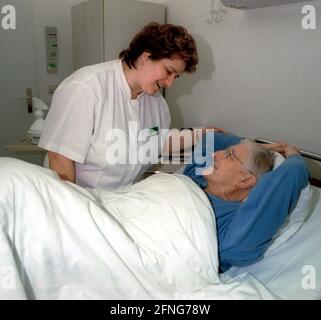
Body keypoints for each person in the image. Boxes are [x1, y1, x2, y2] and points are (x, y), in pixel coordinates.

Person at [39, 22, 198, 191]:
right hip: (80, 199)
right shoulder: (86, 87)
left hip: (122, 203)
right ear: (146, 57)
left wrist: (199, 135)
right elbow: (59, 158)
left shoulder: (159, 107)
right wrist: (72, 211)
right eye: (168, 71)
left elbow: (157, 143)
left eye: (176, 77)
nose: (170, 82)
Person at [183, 132, 310, 272]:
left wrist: (293, 155)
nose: (215, 153)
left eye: (229, 154)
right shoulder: (195, 176)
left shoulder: (232, 222)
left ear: (245, 180)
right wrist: (259, 146)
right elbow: (211, 138)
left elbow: (291, 174)